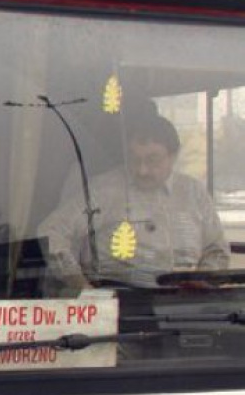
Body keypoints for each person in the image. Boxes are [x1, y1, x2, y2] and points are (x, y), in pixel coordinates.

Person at [40, 112, 228, 289]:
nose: (142, 170)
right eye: (134, 160)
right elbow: (51, 232)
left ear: (173, 156)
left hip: (181, 304)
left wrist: (202, 280)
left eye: (152, 160)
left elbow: (217, 250)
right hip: (120, 301)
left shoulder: (193, 193)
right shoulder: (103, 191)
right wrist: (80, 286)